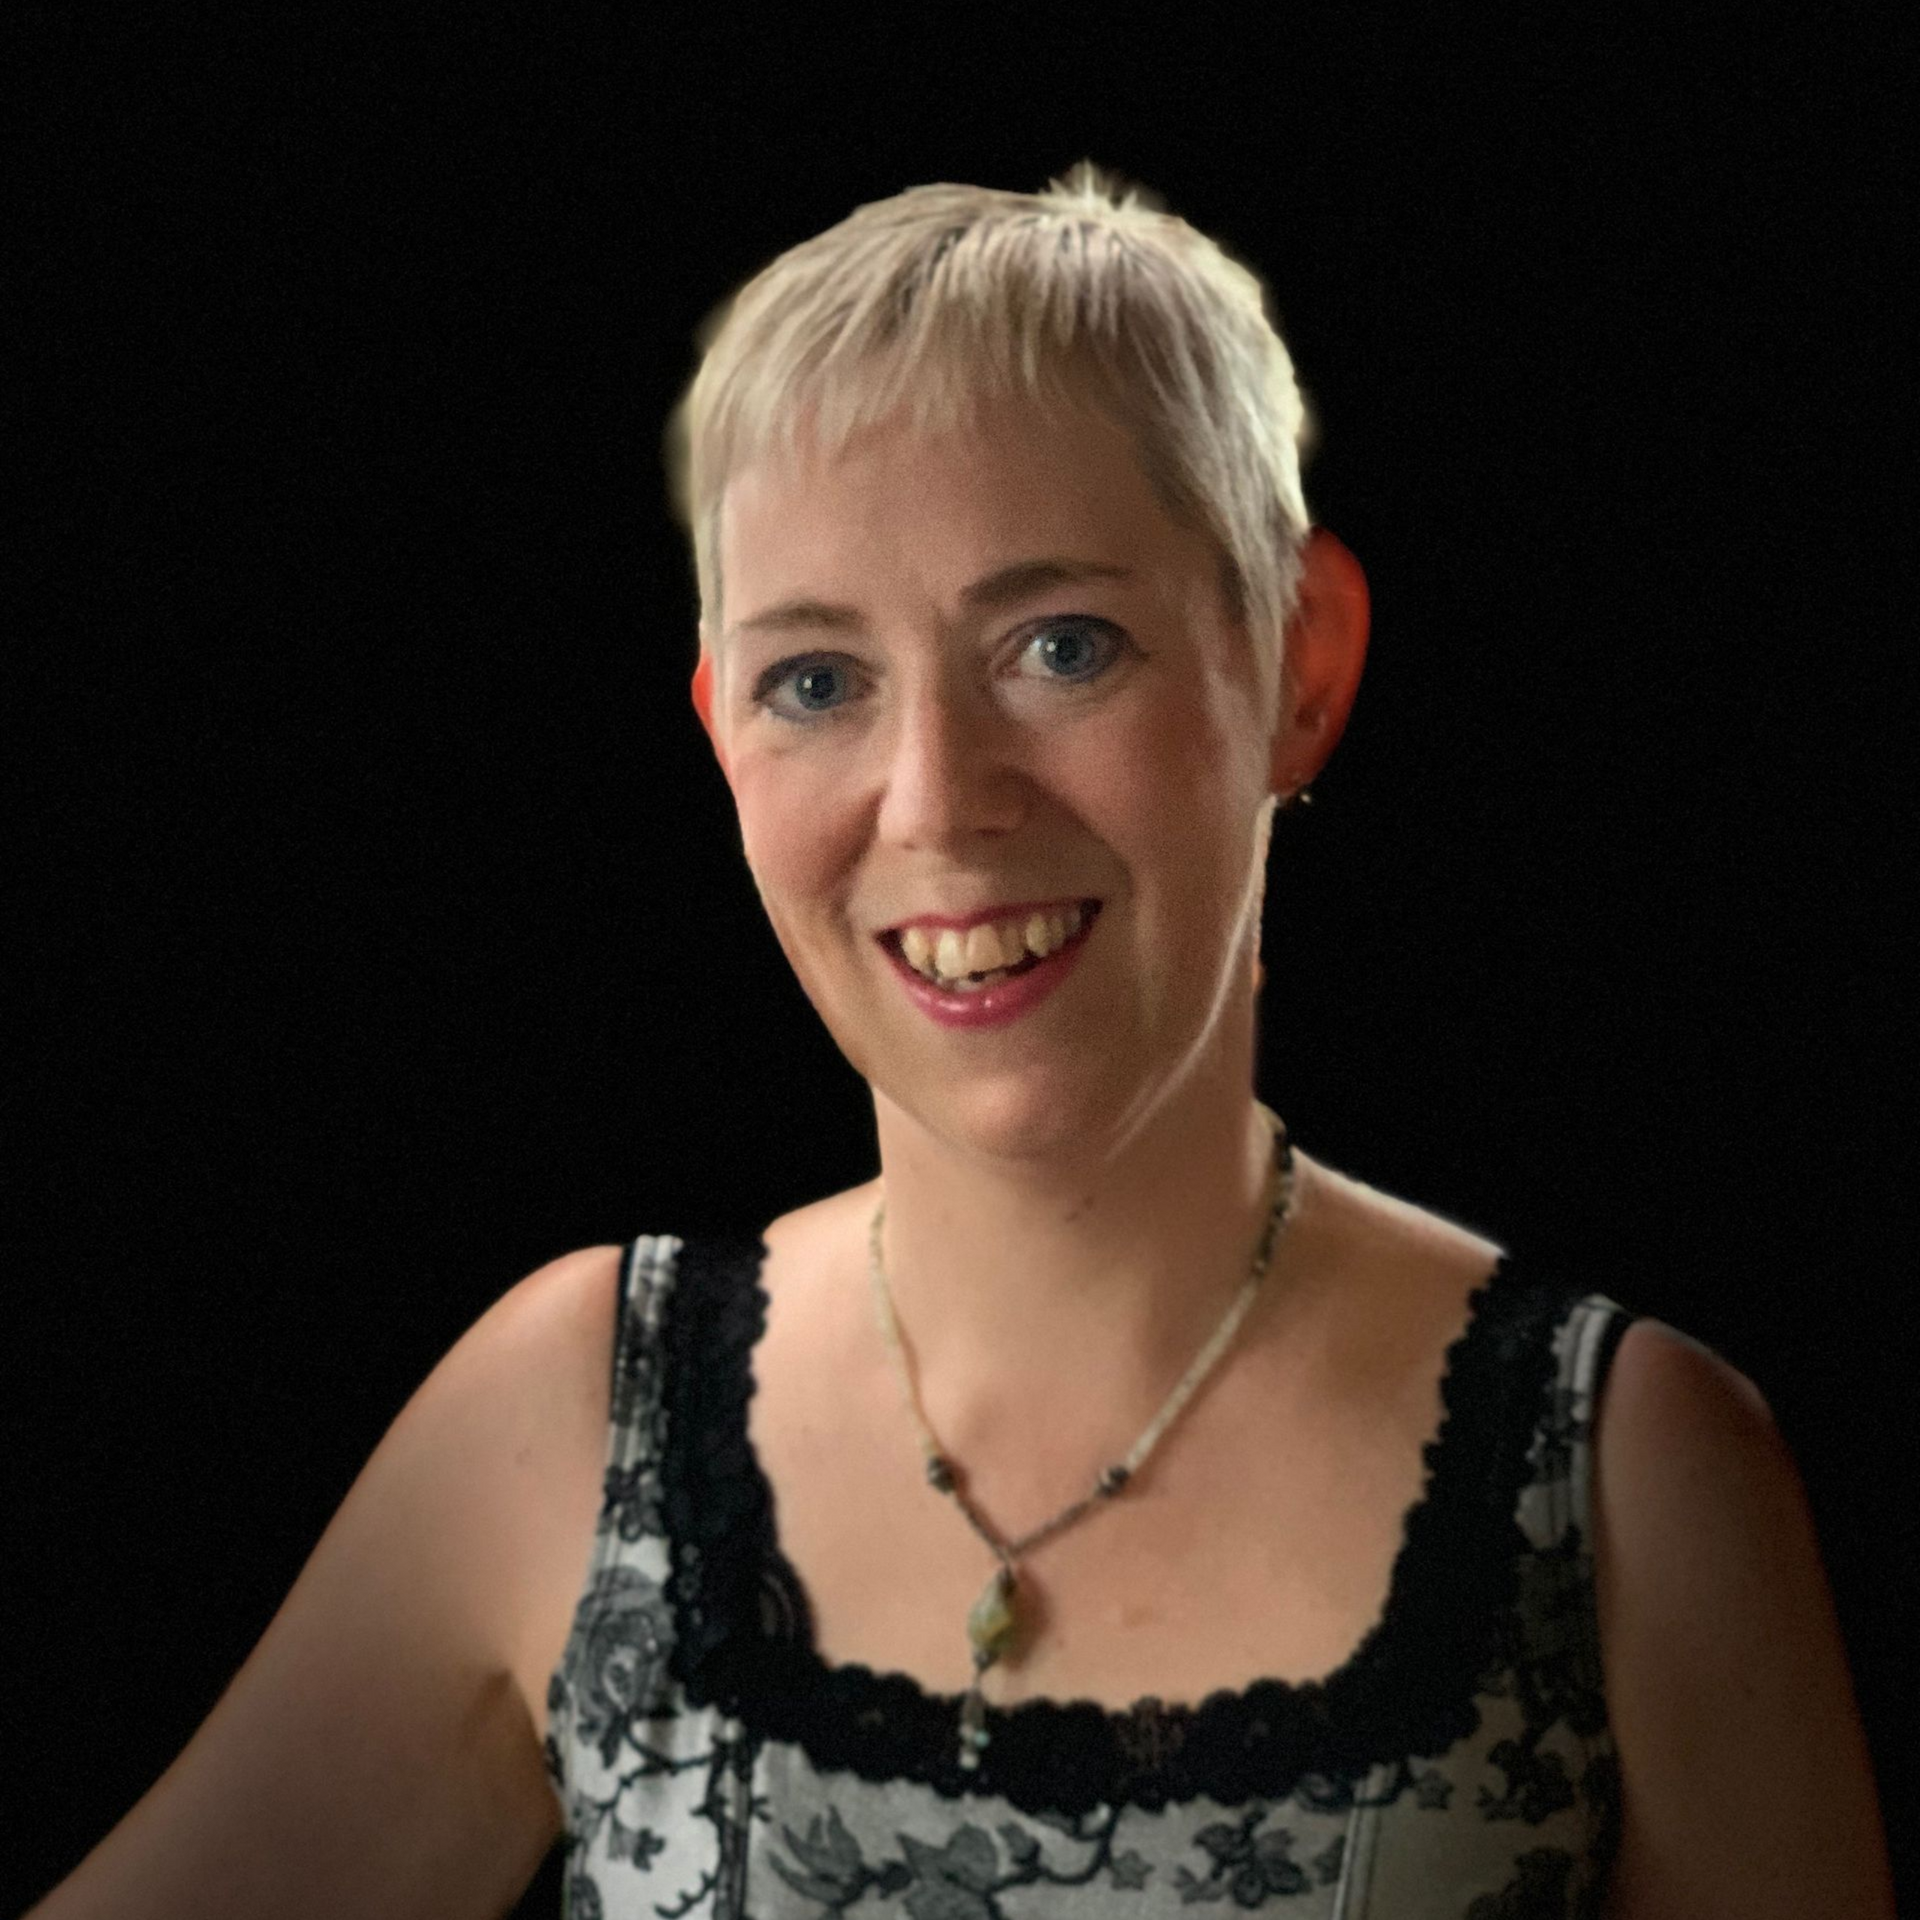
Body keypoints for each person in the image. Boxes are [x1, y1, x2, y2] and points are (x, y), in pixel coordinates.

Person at [29, 162, 1892, 1920]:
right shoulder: (567, 1420)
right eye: (817, 682)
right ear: (720, 736)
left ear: (1300, 662)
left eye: (1061, 645)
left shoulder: (1629, 1483)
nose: (935, 800)